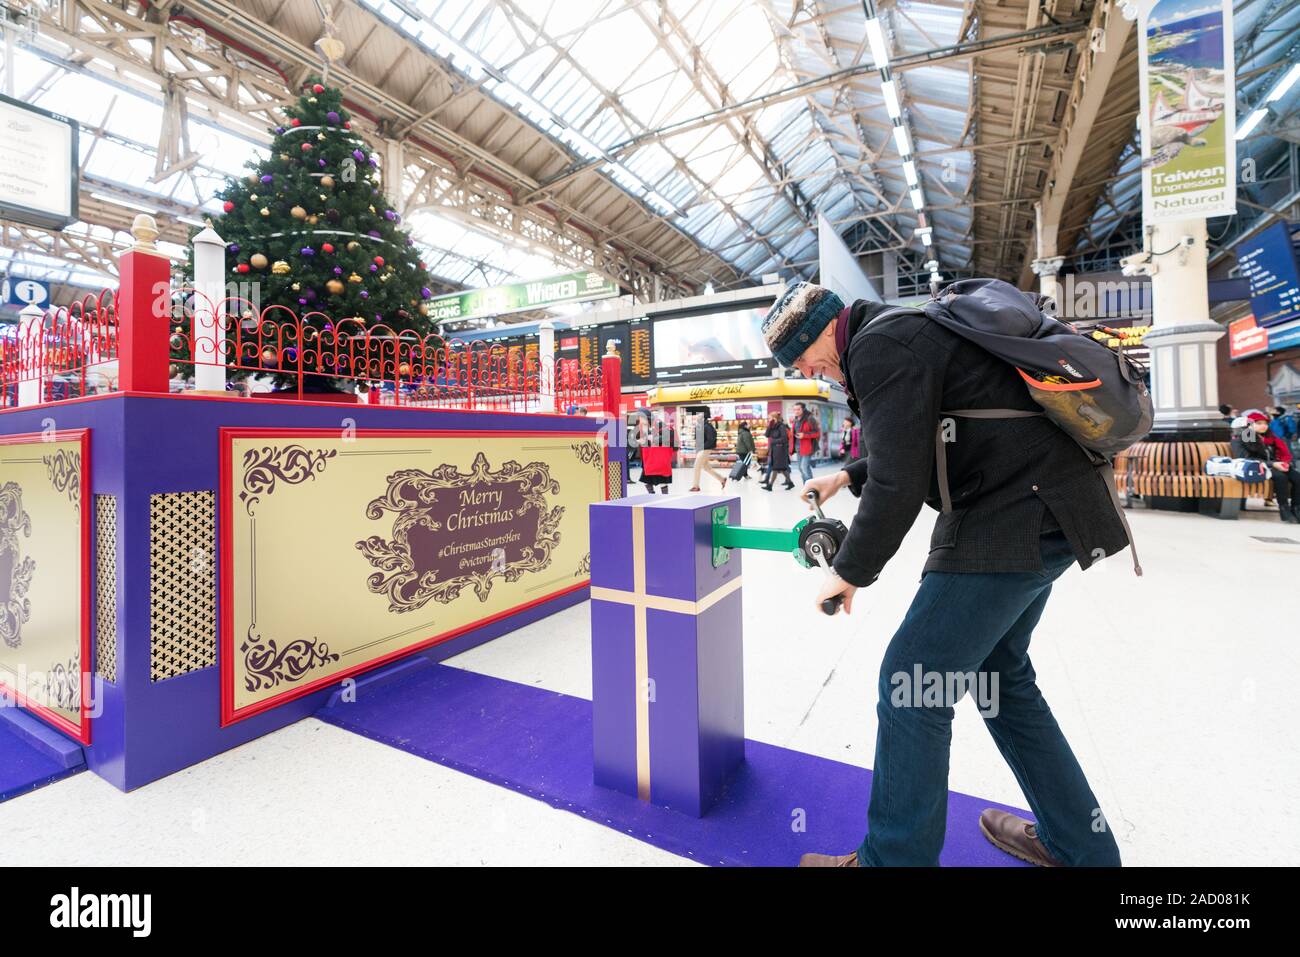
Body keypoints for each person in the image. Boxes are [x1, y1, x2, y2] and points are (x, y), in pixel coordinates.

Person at [762, 280, 1126, 868]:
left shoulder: (880, 346)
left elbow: (900, 481)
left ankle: (894, 861)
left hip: (1009, 516)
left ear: (824, 331)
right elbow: (926, 428)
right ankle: (1081, 847)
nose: (814, 372)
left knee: (911, 684)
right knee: (1001, 680)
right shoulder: (902, 332)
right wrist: (846, 476)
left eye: (805, 358)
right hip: (1054, 505)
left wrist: (850, 569)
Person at [1234, 411, 1299, 522]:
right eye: (1258, 423)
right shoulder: (1243, 438)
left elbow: (1279, 454)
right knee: (1280, 477)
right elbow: (1246, 458)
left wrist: (1284, 463)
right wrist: (1273, 464)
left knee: (1297, 477)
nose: (1263, 426)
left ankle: (1296, 508)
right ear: (1249, 425)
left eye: (1265, 423)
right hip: (1255, 467)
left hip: (1273, 465)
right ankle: (1284, 509)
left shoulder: (1269, 438)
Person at [689, 414, 728, 492]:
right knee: (706, 467)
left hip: (705, 449)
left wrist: (702, 446)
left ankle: (696, 486)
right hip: (702, 449)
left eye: (698, 417)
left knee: (697, 466)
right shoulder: (700, 426)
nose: (697, 418)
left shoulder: (707, 426)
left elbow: (711, 439)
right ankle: (722, 479)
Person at [762, 412, 794, 490]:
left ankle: (770, 486)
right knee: (781, 468)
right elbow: (766, 435)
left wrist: (774, 441)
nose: (768, 420)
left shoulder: (781, 426)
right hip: (774, 449)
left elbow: (784, 439)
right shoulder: (773, 426)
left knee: (776, 468)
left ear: (774, 418)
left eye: (770, 418)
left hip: (781, 450)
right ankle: (790, 483)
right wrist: (770, 425)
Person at [792, 401, 821, 483]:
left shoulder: (810, 419)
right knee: (801, 468)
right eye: (794, 410)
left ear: (803, 409)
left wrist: (804, 435)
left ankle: (810, 486)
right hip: (798, 447)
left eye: (798, 409)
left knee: (804, 467)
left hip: (807, 447)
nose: (796, 411)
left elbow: (817, 433)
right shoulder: (795, 419)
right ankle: (807, 485)